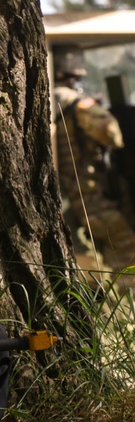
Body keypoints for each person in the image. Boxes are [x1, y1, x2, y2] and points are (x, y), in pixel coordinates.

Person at [52, 45, 135, 281]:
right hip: (94, 201)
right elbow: (113, 135)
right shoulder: (77, 104)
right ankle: (127, 314)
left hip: (73, 202)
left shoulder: (49, 99)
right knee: (129, 261)